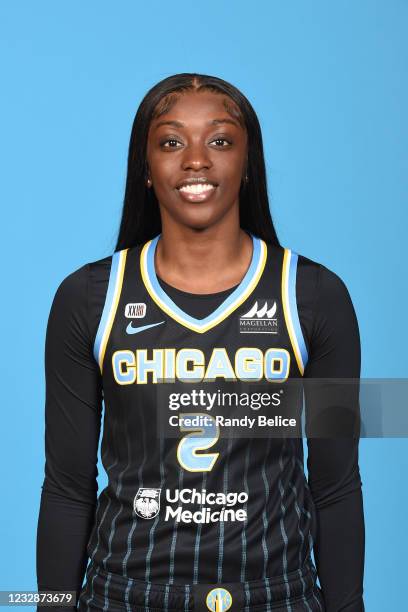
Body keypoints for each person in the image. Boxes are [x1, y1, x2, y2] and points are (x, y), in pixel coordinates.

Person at [36, 73, 365, 612]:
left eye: (219, 140)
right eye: (170, 142)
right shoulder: (89, 299)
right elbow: (67, 488)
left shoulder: (314, 297)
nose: (195, 160)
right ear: (145, 168)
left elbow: (335, 487)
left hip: (274, 597)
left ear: (248, 164)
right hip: (124, 597)